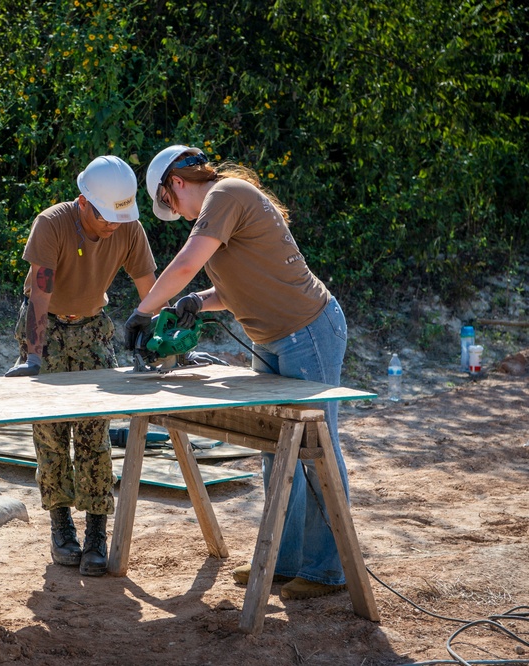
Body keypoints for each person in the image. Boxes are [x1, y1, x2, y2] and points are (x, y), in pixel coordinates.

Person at [124, 144, 350, 600]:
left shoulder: (225, 194)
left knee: (315, 447)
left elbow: (186, 262)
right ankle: (283, 563)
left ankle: (328, 570)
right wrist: (195, 302)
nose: (177, 213)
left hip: (307, 331)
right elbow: (235, 291)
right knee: (277, 449)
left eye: (169, 203)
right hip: (274, 339)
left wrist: (144, 311)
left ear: (176, 184)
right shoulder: (225, 206)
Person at [6, 155, 161, 576]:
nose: (112, 224)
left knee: (94, 434)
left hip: (94, 328)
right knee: (52, 436)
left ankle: (95, 535)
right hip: (47, 327)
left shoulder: (128, 227)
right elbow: (39, 293)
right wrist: (33, 356)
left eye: (119, 216)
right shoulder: (52, 224)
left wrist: (163, 344)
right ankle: (62, 530)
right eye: (104, 216)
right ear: (82, 202)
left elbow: (150, 288)